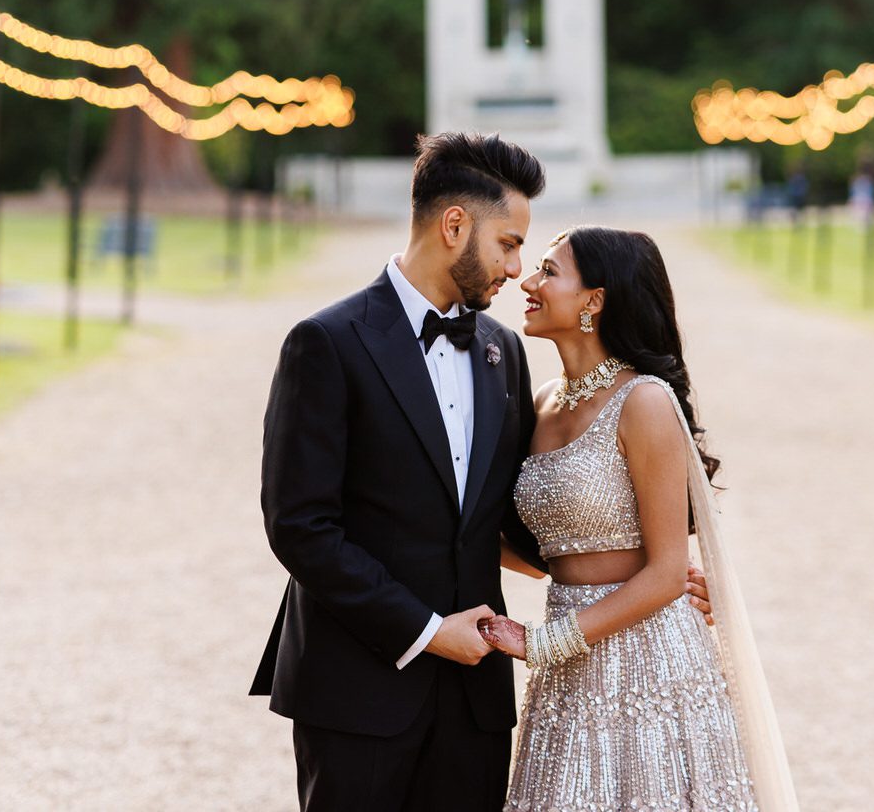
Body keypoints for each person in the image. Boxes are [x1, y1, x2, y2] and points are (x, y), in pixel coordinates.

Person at [251, 132, 713, 812]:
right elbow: (301, 529)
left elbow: (511, 517)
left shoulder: (501, 352)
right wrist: (431, 632)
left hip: (476, 705)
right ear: (454, 225)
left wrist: (648, 576)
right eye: (508, 243)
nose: (518, 267)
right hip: (357, 689)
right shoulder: (326, 343)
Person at [480, 225, 799, 812]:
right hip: (567, 675)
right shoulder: (543, 402)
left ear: (594, 300)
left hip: (649, 661)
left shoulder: (645, 401)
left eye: (549, 272)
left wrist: (542, 644)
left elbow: (666, 572)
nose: (527, 280)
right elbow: (542, 552)